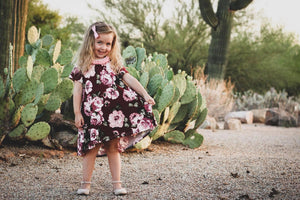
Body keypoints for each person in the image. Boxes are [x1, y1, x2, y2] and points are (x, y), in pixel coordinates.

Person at [69, 21, 157, 196]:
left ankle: (117, 184)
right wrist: (77, 113)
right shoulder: (83, 65)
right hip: (91, 116)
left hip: (112, 114)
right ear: (90, 42)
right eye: (100, 42)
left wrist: (145, 95)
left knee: (113, 147)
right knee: (91, 149)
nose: (104, 47)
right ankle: (85, 184)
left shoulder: (113, 63)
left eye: (108, 44)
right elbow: (77, 90)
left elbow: (129, 79)